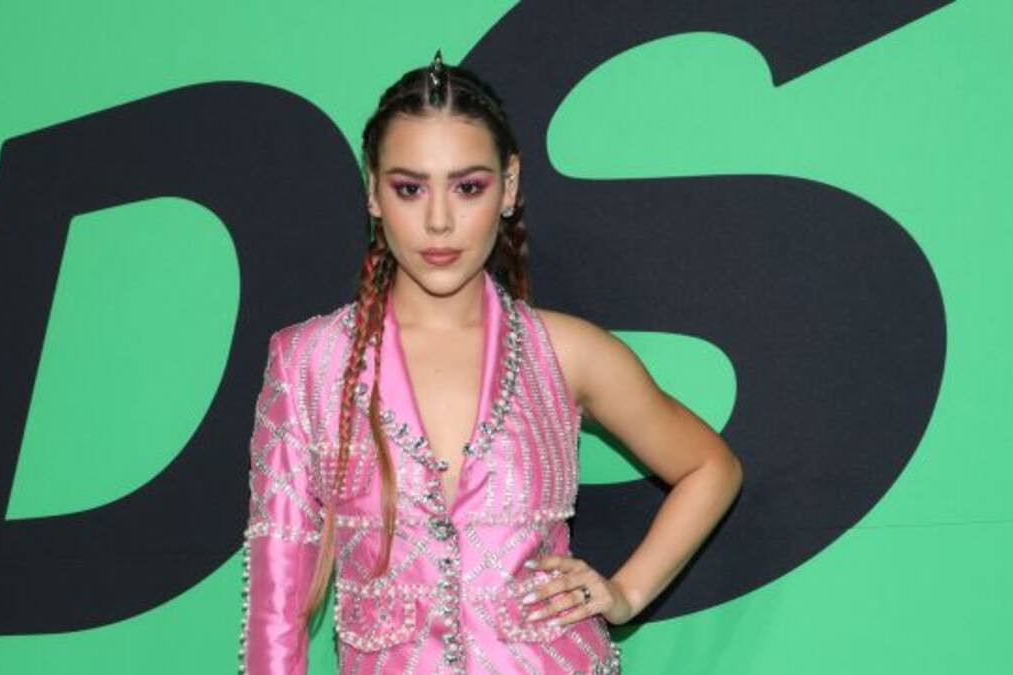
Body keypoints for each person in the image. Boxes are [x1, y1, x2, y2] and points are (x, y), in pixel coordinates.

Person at [240, 49, 743, 675]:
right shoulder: (307, 363)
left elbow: (709, 467)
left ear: (508, 187)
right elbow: (277, 604)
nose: (439, 220)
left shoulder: (568, 352)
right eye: (409, 188)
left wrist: (626, 592)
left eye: (468, 187)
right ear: (372, 191)